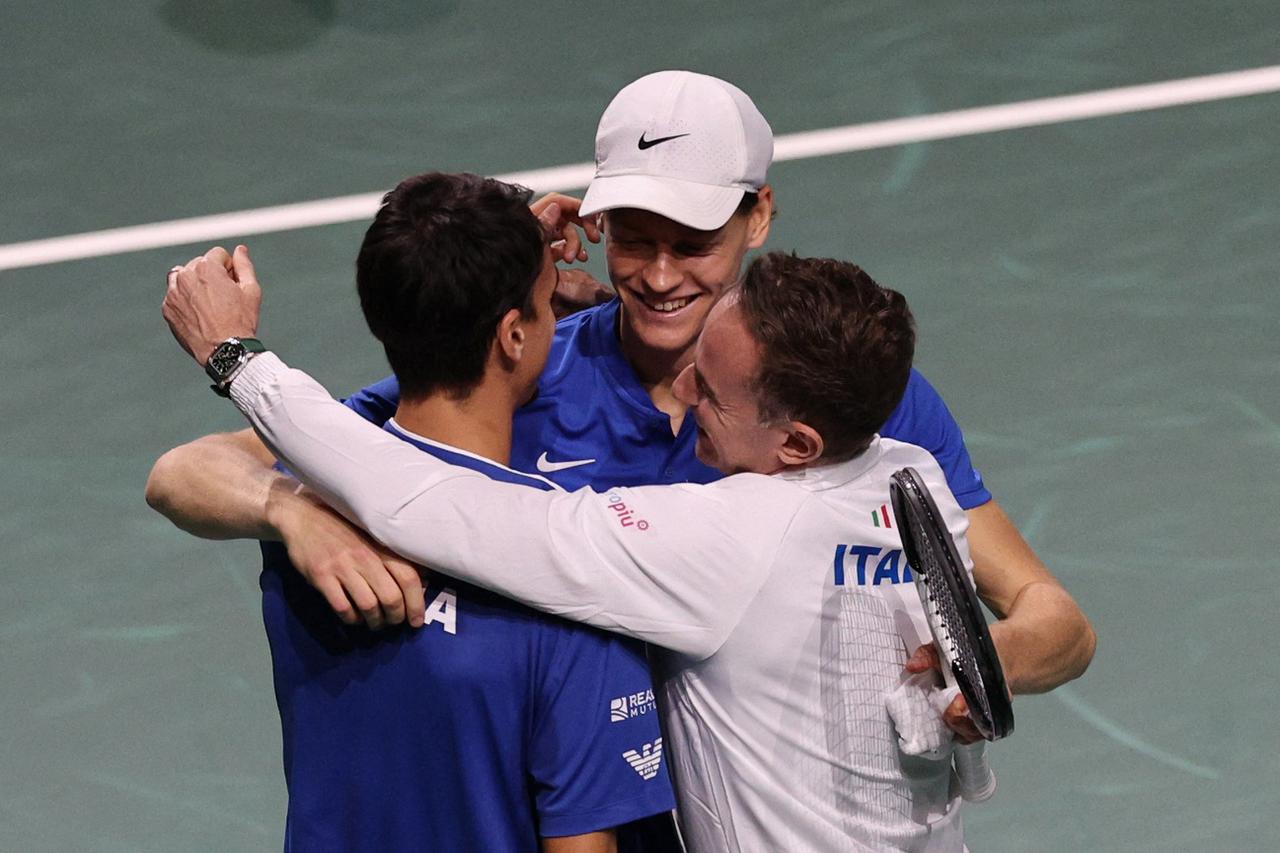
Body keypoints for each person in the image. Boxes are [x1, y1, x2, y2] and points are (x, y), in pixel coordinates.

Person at [146, 70, 1094, 740]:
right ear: (591, 226)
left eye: (693, 241)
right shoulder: (527, 368)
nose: (659, 274)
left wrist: (989, 665)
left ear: (758, 216)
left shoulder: (841, 393)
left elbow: (1054, 615)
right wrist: (293, 510)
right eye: (631, 238)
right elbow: (188, 471)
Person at [168, 246, 989, 851]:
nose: (682, 394)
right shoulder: (910, 478)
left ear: (799, 443)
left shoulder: (728, 540)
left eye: (712, 389)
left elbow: (428, 500)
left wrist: (239, 359)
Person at [166, 172, 677, 852]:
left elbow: (180, 472)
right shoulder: (573, 583)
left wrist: (291, 510)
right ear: (513, 337)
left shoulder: (320, 504)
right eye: (553, 305)